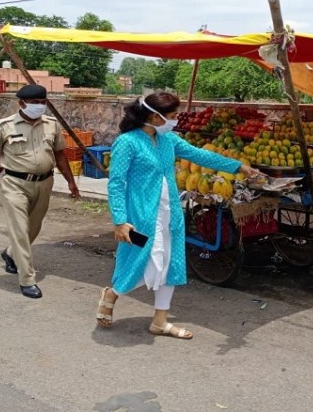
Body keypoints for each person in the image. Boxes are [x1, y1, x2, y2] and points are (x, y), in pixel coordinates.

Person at [96, 92, 261, 339]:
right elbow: (116, 183)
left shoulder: (168, 141)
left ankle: (160, 322)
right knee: (140, 262)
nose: (175, 121)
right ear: (155, 116)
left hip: (170, 215)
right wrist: (119, 220)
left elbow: (200, 155)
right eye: (172, 116)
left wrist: (238, 166)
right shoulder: (127, 143)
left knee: (169, 266)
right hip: (140, 219)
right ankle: (112, 294)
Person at [0, 84, 80, 299]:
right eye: (35, 103)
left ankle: (9, 254)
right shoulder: (4, 126)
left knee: (34, 228)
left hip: (44, 182)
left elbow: (60, 154)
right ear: (21, 103)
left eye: (43, 103)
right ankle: (27, 279)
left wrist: (71, 182)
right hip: (14, 183)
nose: (39, 107)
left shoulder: (51, 125)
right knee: (20, 230)